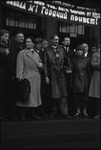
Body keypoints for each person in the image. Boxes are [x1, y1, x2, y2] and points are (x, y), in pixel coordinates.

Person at [16, 36, 43, 120]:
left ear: (33, 44)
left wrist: (40, 65)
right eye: (26, 42)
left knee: (34, 97)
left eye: (29, 42)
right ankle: (23, 115)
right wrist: (19, 76)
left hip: (35, 77)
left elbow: (41, 65)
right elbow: (19, 65)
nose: (27, 43)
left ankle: (32, 113)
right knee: (25, 96)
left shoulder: (36, 54)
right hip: (27, 76)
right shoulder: (22, 53)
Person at [44, 35, 71, 119]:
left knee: (63, 93)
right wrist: (46, 76)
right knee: (53, 92)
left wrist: (69, 69)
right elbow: (45, 64)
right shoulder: (46, 50)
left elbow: (67, 60)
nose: (57, 41)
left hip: (61, 73)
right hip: (52, 73)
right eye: (55, 39)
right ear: (51, 40)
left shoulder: (62, 49)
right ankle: (54, 111)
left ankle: (64, 112)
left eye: (58, 39)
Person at [7, 31, 25, 120]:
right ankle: (12, 114)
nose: (21, 38)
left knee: (20, 94)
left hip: (22, 74)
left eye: (22, 37)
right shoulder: (12, 47)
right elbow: (11, 62)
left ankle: (20, 113)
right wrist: (13, 73)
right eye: (19, 37)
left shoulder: (24, 47)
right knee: (13, 95)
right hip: (14, 74)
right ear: (15, 38)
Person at [71, 45, 91, 118]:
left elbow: (89, 71)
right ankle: (78, 111)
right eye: (78, 50)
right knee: (77, 95)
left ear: (83, 51)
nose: (79, 51)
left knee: (85, 95)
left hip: (85, 79)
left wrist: (89, 79)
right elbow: (72, 70)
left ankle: (84, 111)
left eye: (80, 50)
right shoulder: (73, 60)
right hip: (76, 78)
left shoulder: (87, 59)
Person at [0, 29, 10, 120]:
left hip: (5, 71)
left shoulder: (7, 46)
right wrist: (5, 54)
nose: (7, 38)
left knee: (4, 92)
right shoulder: (3, 47)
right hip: (1, 71)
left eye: (8, 36)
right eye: (5, 36)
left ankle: (3, 112)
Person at [89, 44, 100, 119]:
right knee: (97, 96)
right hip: (97, 76)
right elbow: (93, 64)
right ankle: (97, 113)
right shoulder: (95, 54)